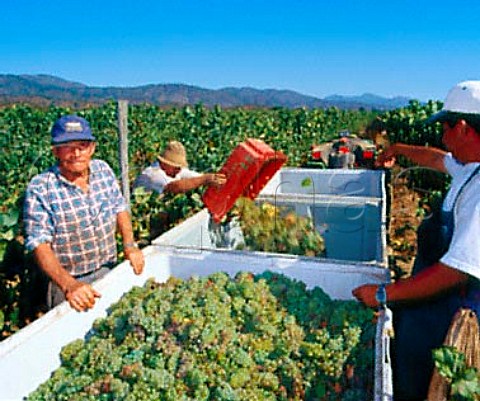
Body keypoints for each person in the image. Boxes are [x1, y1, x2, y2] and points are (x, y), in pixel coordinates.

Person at [353, 80, 480, 401]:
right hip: (439, 298)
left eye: (446, 128)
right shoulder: (470, 168)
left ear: (463, 127)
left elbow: (456, 271)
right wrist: (398, 150)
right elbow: (437, 159)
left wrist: (384, 293)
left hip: (461, 311)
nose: (442, 136)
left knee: (430, 381)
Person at [24, 115, 145, 313]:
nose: (77, 152)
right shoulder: (41, 187)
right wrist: (69, 285)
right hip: (69, 284)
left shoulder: (103, 170)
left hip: (109, 270)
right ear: (55, 151)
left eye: (82, 145)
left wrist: (130, 246)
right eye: (67, 146)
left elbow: (119, 208)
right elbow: (39, 243)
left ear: (92, 148)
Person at [133, 140, 226, 194]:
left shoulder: (173, 170)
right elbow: (173, 186)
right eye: (176, 167)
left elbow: (195, 176)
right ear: (165, 163)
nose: (179, 170)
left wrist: (214, 179)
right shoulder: (153, 174)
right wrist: (204, 179)